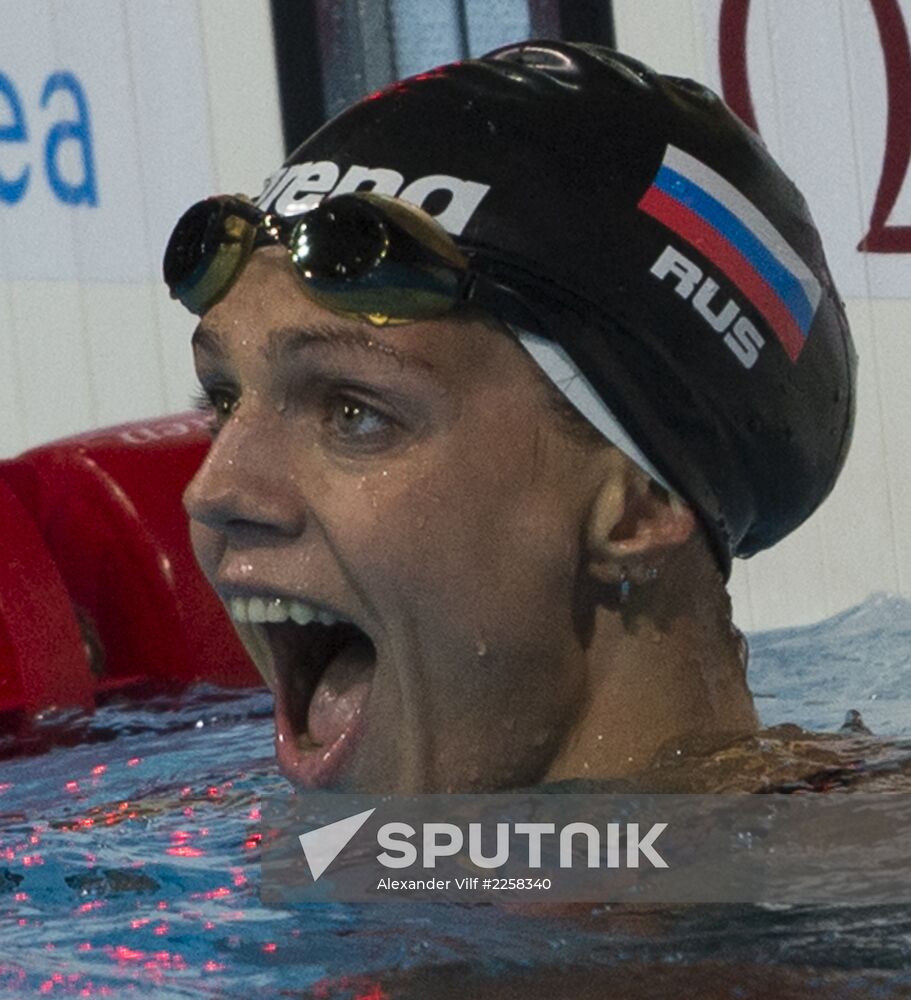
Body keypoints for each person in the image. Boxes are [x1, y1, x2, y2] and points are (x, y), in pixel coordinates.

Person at [161, 40, 856, 794]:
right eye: (223, 401)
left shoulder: (851, 881)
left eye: (355, 414)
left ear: (638, 505)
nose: (213, 491)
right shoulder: (215, 852)